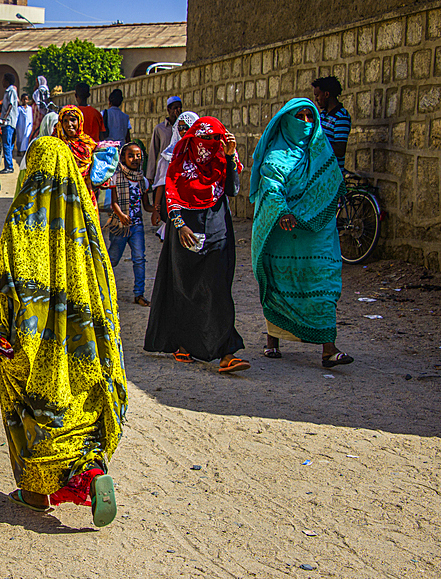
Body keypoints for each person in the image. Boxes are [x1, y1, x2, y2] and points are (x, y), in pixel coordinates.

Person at [0, 135, 127, 526]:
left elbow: (8, 279)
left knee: (28, 406)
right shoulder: (85, 223)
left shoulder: (22, 218)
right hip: (80, 338)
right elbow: (105, 287)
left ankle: (34, 492)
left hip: (32, 336)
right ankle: (91, 472)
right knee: (79, 399)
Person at [250, 99, 352, 368]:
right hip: (283, 235)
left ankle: (328, 349)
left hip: (318, 233)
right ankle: (273, 340)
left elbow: (332, 183)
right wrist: (282, 211)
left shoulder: (322, 153)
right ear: (285, 121)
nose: (306, 122)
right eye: (300, 117)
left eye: (310, 117)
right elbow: (271, 187)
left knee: (325, 283)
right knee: (281, 283)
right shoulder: (275, 156)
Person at [144, 116, 249, 373]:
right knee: (186, 288)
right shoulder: (179, 161)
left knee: (218, 288)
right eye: (206, 139)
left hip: (217, 228)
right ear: (193, 139)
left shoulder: (222, 161)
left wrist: (231, 156)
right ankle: (184, 343)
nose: (211, 144)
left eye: (216, 139)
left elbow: (232, 190)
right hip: (186, 232)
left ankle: (227, 351)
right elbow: (172, 195)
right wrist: (180, 226)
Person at [104, 143, 151, 306]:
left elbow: (146, 204)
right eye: (131, 156)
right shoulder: (116, 177)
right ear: (123, 158)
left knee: (139, 258)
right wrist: (121, 215)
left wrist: (157, 210)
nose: (135, 159)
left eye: (138, 155)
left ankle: (139, 294)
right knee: (113, 259)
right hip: (119, 226)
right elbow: (113, 202)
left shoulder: (142, 180)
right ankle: (103, 290)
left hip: (136, 226)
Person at [150, 110, 199, 236]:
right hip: (176, 207)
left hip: (197, 207)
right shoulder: (169, 155)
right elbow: (162, 183)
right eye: (180, 127)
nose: (183, 131)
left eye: (187, 127)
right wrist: (156, 209)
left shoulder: (202, 154)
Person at [52, 105, 97, 201]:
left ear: (80, 122)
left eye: (73, 120)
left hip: (85, 192)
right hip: (63, 193)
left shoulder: (88, 143)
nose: (69, 124)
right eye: (65, 121)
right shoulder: (56, 145)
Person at [312, 76, 351, 172]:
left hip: (332, 173)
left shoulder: (341, 117)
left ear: (326, 94)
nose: (316, 99)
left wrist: (316, 144)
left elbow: (340, 150)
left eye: (317, 95)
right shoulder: (323, 115)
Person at [147, 97, 182, 186]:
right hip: (164, 170)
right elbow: (153, 152)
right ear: (168, 110)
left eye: (179, 108)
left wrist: (180, 121)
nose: (177, 111)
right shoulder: (160, 129)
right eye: (175, 108)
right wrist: (150, 174)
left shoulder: (183, 128)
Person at [0, 74, 19, 173]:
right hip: (8, 122)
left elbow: (10, 105)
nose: (2, 82)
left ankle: (9, 167)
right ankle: (9, 164)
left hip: (8, 122)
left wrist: (4, 118)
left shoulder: (11, 91)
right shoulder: (8, 91)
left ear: (7, 81)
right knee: (8, 144)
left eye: (3, 80)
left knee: (6, 144)